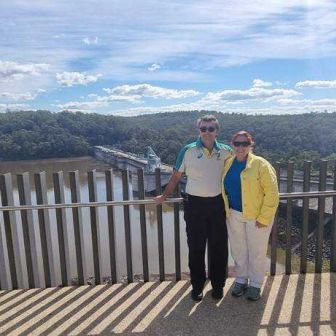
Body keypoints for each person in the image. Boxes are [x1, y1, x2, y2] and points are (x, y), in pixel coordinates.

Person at [155, 115, 232, 301]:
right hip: (194, 204)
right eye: (203, 128)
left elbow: (236, 175)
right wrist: (165, 195)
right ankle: (197, 286)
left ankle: (218, 285)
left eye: (210, 128)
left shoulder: (226, 151)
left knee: (219, 247)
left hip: (217, 203)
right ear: (199, 130)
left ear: (217, 131)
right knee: (196, 247)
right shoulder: (188, 150)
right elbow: (176, 176)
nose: (206, 132)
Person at [222, 130, 279, 301]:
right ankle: (241, 280)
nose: (240, 147)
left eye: (244, 144)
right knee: (239, 250)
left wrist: (264, 218)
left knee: (257, 251)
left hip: (256, 216)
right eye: (237, 143)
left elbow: (272, 194)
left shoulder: (261, 164)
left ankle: (255, 284)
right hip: (234, 214)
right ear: (232, 145)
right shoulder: (229, 162)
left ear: (250, 145)